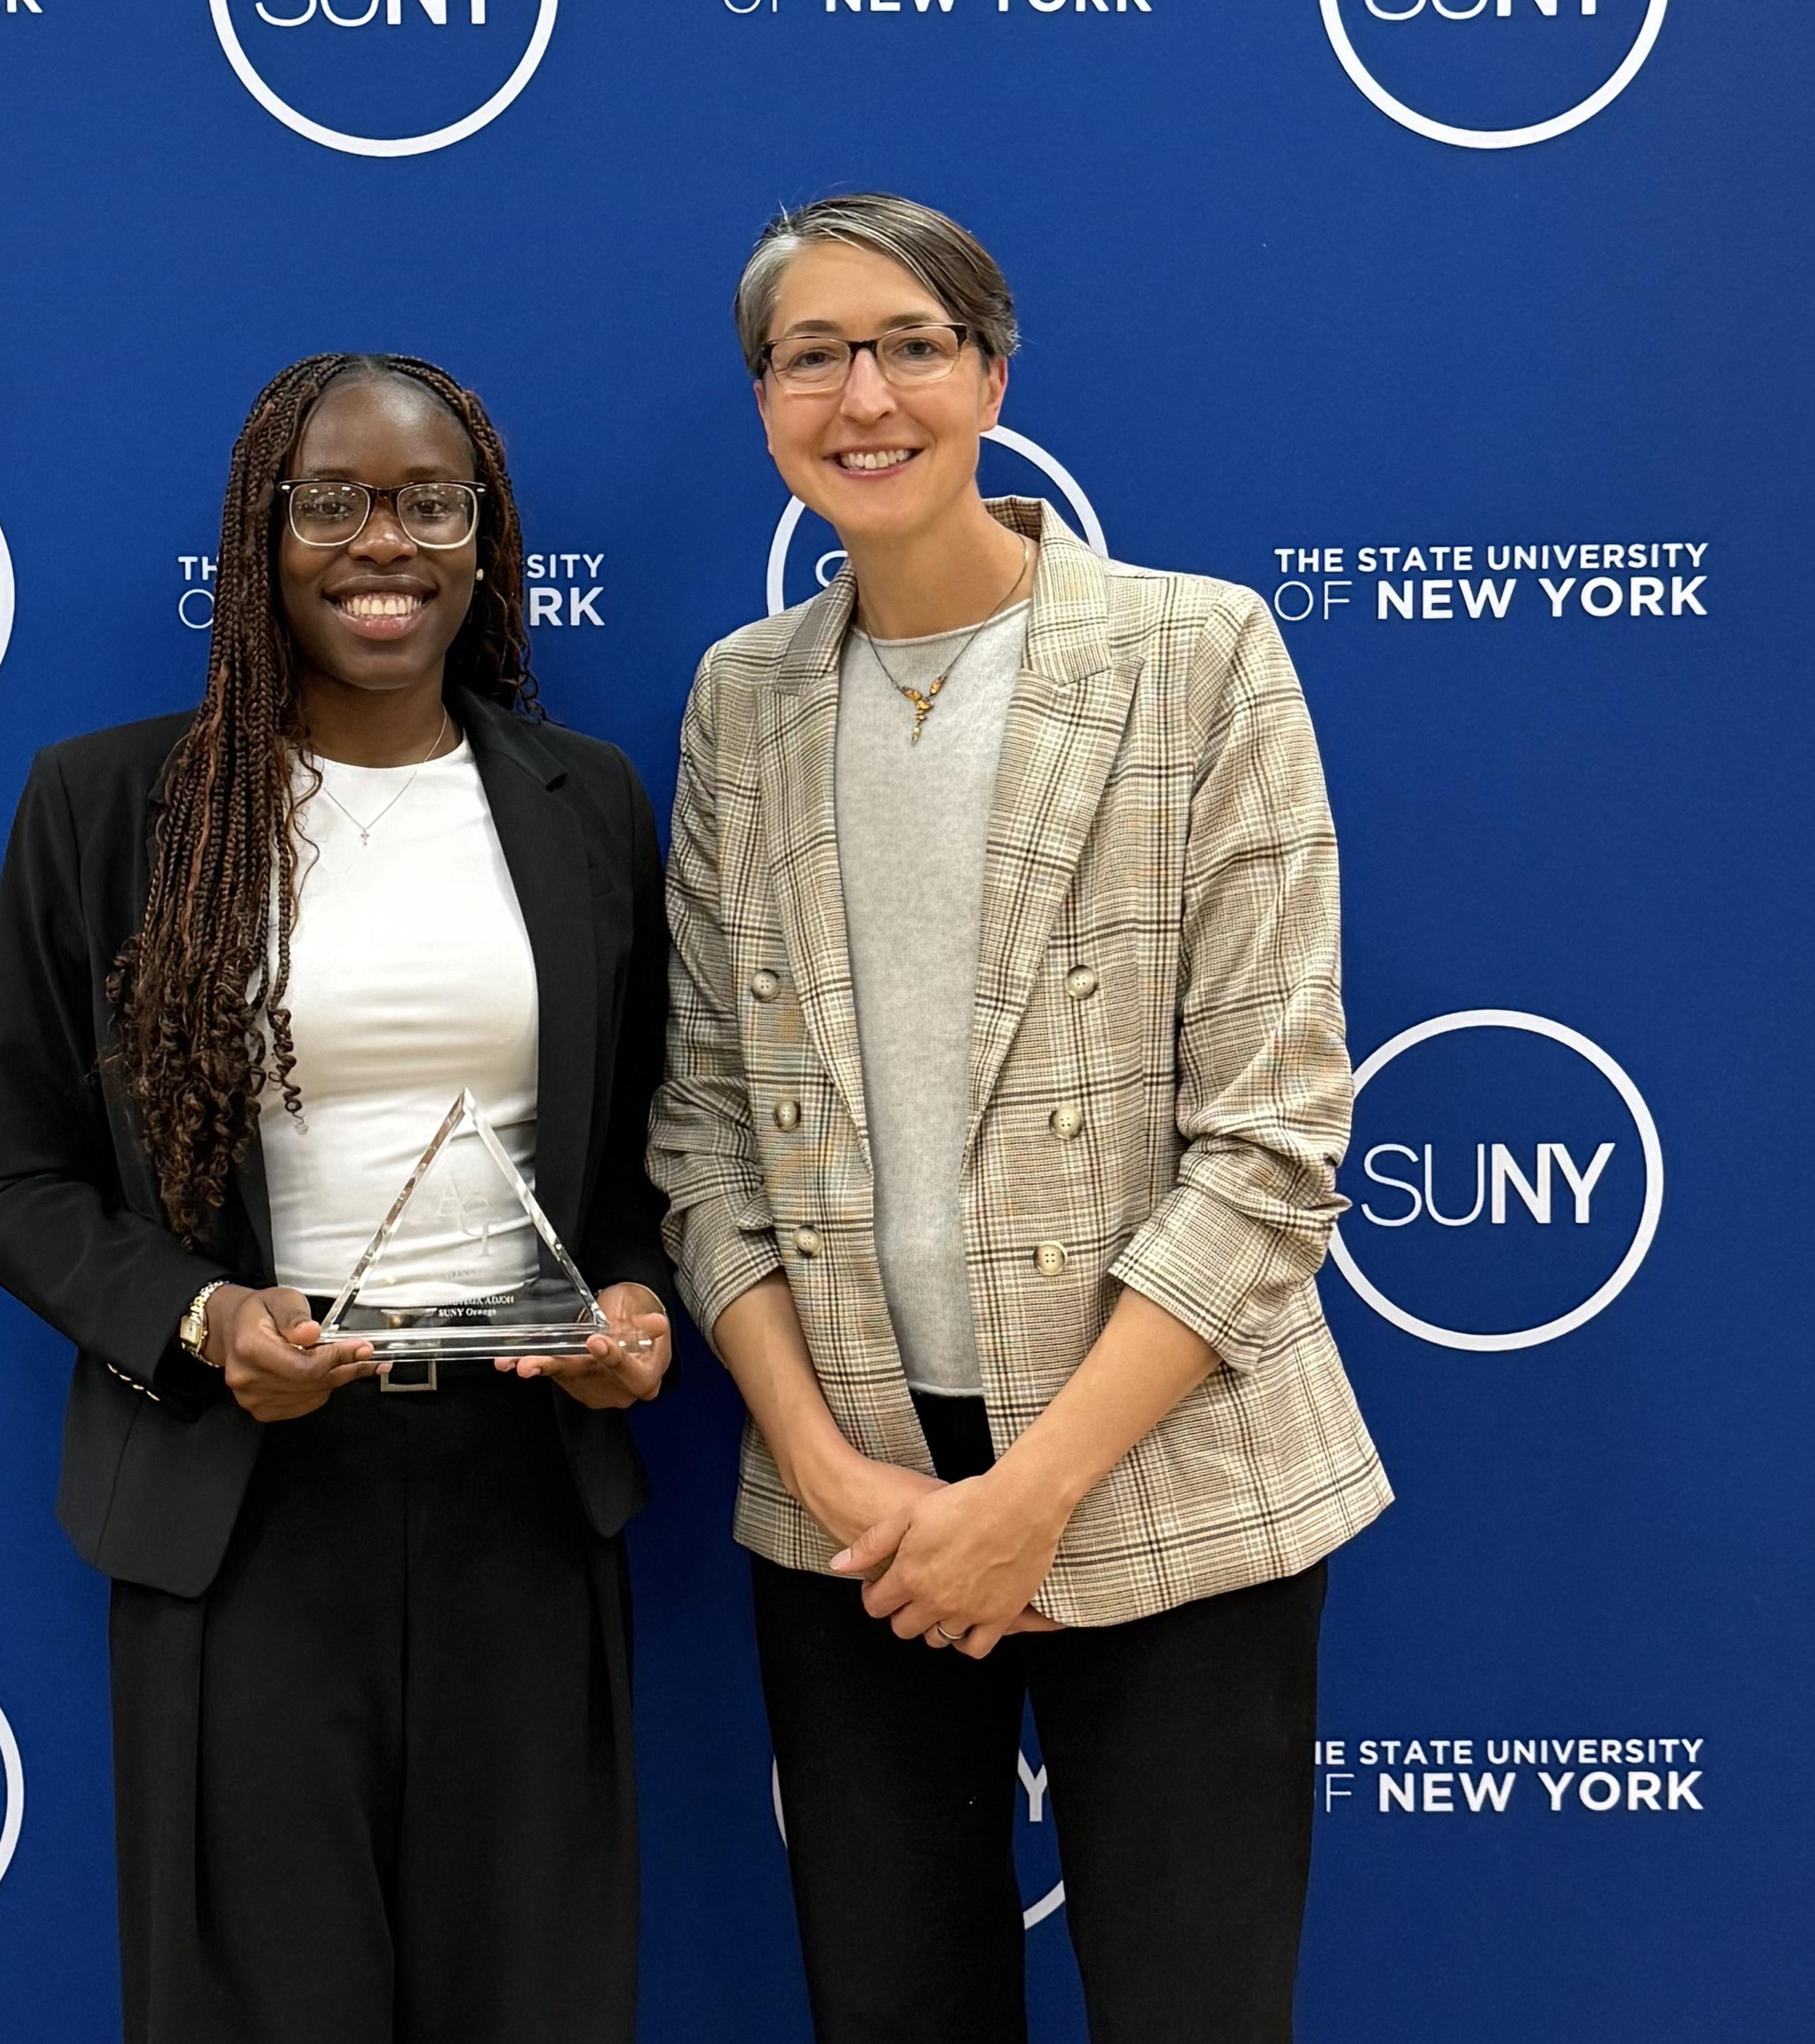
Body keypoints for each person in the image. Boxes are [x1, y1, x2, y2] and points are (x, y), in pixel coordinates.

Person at [649, 194, 1393, 2043]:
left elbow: (1269, 1144)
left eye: (906, 342)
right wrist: (841, 1489)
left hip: (1172, 1493)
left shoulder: (1194, 654)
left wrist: (1032, 1501)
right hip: (859, 1528)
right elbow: (704, 1142)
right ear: (762, 408)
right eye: (810, 355)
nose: (863, 392)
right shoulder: (735, 709)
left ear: (988, 374)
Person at [0, 352, 673, 2044]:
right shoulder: (111, 806)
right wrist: (204, 1319)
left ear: (485, 540)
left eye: (434, 503)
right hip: (242, 1511)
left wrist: (639, 1311)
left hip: (524, 1497)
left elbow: (655, 1153)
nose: (386, 543)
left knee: (539, 2004)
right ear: (259, 536)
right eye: (334, 501)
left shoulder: (589, 809)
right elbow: (12, 1176)